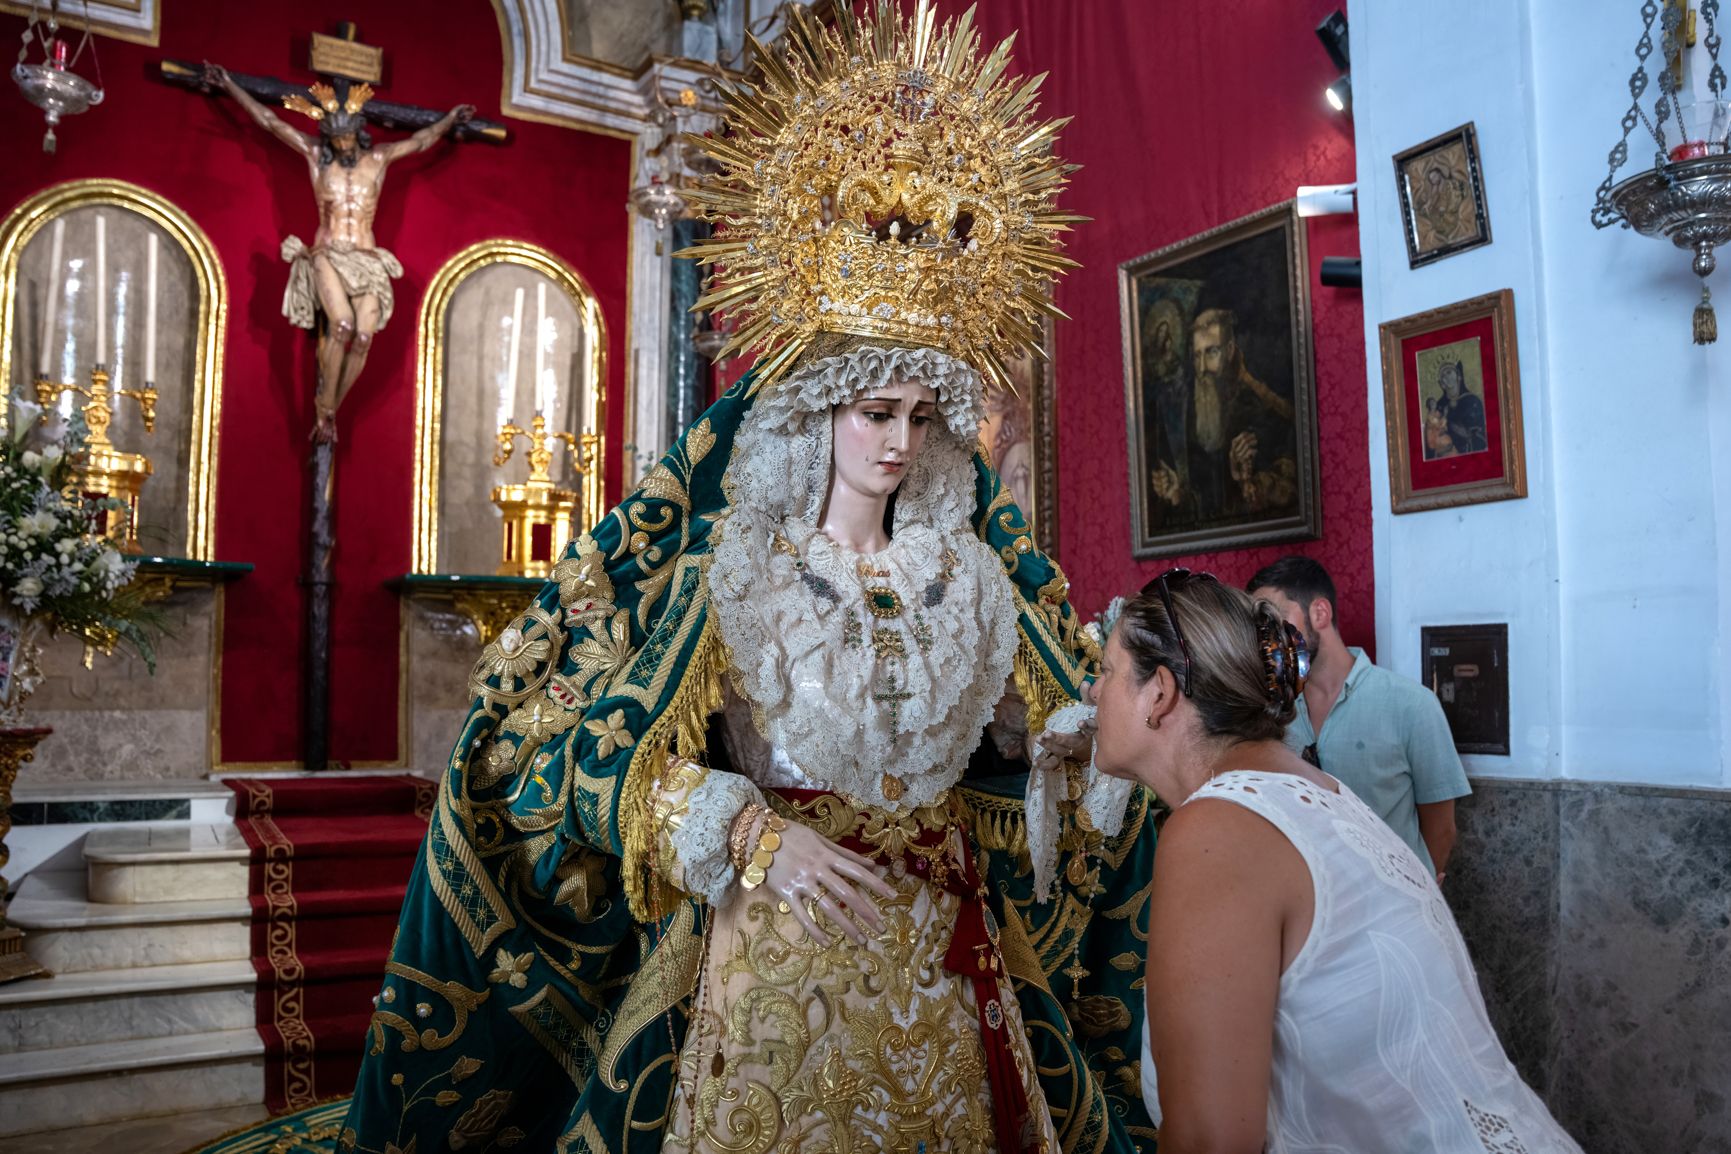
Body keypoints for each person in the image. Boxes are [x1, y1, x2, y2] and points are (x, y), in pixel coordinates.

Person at [337, 5, 1157, 1152]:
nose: (899, 443)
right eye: (877, 412)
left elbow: (1021, 767)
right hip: (772, 955)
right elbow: (572, 744)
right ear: (818, 415)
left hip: (949, 957)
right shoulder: (742, 572)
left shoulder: (971, 575)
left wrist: (1055, 755)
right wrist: (749, 833)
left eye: (922, 417)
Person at [1088, 570, 1583, 1153]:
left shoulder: (1216, 829)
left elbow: (1209, 1140)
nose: (1093, 693)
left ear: (1160, 693)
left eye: (1106, 671)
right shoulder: (1313, 787)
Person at [201, 62, 474, 441]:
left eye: (346, 140)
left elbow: (423, 140)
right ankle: (324, 410)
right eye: (335, 140)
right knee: (342, 325)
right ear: (328, 136)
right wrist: (230, 85)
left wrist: (448, 121)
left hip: (368, 258)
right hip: (328, 254)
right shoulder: (316, 157)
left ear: (358, 135)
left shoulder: (378, 161)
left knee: (363, 337)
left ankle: (331, 410)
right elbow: (269, 122)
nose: (341, 146)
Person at [1249, 556, 1469, 880]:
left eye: (1275, 618)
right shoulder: (1270, 712)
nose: (1266, 636)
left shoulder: (1411, 704)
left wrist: (1416, 889)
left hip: (1394, 904)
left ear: (1319, 613)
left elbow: (1442, 828)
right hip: (1309, 905)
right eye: (1259, 625)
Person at [1150, 308, 1297, 521]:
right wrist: (1176, 494)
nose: (1201, 369)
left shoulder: (1256, 407)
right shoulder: (1179, 409)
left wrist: (1245, 480)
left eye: (1211, 352)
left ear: (1229, 351)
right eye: (1197, 355)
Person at [1435, 357, 1489, 455]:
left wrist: (1461, 432)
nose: (1446, 377)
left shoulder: (1472, 401)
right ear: (1442, 384)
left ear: (1458, 376)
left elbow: (1480, 436)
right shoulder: (1439, 407)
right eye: (1443, 375)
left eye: (1449, 372)